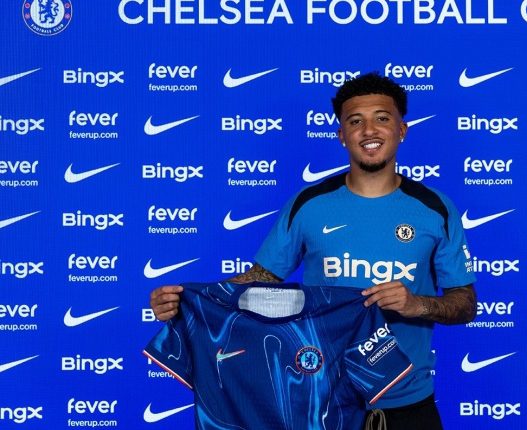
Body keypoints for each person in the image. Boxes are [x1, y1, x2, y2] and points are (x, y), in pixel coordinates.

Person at [150, 72, 477, 430]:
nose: (369, 130)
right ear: (342, 135)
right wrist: (189, 302)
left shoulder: (435, 209)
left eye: (382, 118)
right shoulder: (309, 205)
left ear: (401, 130)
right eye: (355, 121)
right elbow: (260, 280)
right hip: (321, 402)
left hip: (409, 402)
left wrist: (417, 304)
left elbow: (465, 304)